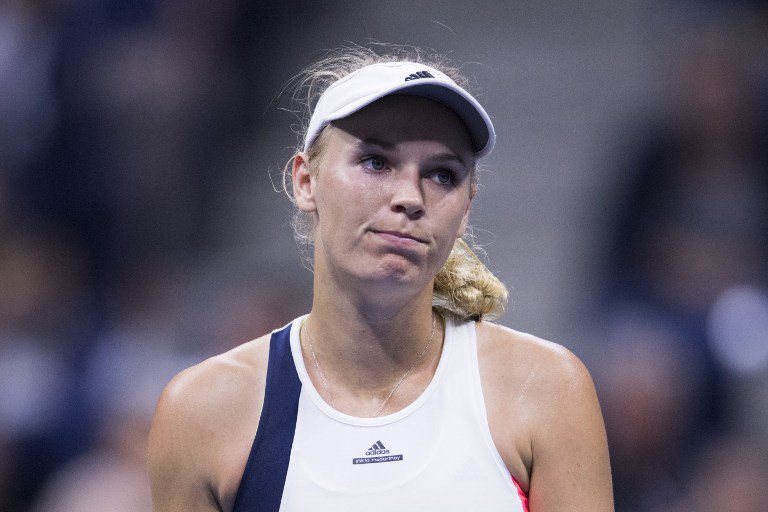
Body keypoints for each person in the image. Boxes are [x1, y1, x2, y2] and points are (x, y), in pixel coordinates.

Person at [148, 46, 613, 511]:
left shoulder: (547, 388)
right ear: (306, 181)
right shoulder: (203, 411)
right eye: (376, 162)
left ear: (466, 208)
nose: (410, 197)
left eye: (442, 174)